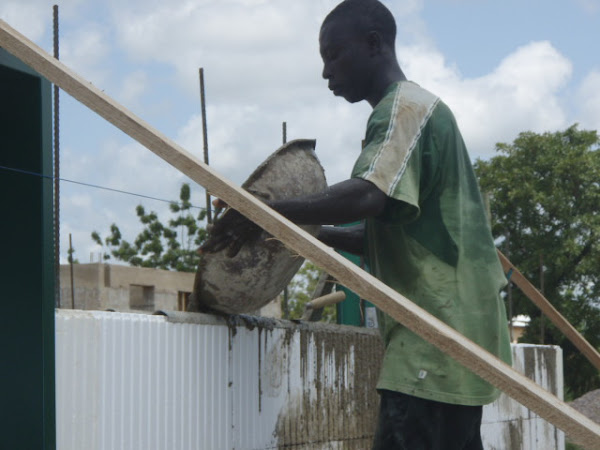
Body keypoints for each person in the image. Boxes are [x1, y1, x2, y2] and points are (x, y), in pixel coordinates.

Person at [201, 0, 512, 448]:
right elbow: (381, 238)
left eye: (334, 55)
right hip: (458, 332)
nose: (326, 72)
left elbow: (367, 194)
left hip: (433, 336)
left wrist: (261, 212)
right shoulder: (418, 113)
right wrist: (300, 233)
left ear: (373, 44)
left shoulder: (403, 112)